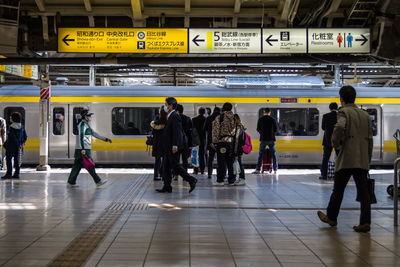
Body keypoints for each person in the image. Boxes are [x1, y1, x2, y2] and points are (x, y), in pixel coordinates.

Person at [317, 86, 373, 233]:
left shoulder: (343, 112)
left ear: (341, 99)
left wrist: (336, 144)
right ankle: (365, 222)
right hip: (362, 158)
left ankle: (332, 217)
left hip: (348, 157)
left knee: (338, 189)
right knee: (364, 191)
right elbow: (370, 139)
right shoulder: (365, 115)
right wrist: (368, 158)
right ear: (354, 98)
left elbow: (340, 127)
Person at [156, 97, 197, 193]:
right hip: (168, 146)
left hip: (172, 147)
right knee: (166, 166)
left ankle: (191, 180)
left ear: (170, 106)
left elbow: (176, 132)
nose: (165, 106)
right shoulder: (169, 115)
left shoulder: (175, 116)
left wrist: (175, 145)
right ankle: (167, 186)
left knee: (175, 166)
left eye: (166, 104)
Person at [67, 109, 112, 187]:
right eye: (89, 116)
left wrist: (105, 139)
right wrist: (83, 149)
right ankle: (98, 181)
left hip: (80, 149)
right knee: (90, 164)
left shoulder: (86, 125)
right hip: (83, 149)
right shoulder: (82, 125)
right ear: (85, 116)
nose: (90, 117)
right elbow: (81, 136)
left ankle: (71, 182)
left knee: (77, 166)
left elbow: (95, 134)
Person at [212, 102, 236, 186]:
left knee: (221, 162)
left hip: (222, 142)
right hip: (232, 143)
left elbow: (215, 131)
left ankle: (220, 180)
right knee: (230, 162)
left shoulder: (220, 117)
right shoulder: (234, 118)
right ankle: (231, 180)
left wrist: (214, 143)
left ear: (223, 108)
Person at [253, 108, 278, 174]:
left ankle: (258, 169)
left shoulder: (260, 119)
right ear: (269, 113)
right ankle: (275, 170)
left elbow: (258, 129)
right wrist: (271, 133)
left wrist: (262, 133)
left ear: (264, 112)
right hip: (271, 139)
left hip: (263, 139)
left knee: (261, 154)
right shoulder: (273, 119)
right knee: (273, 155)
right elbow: (275, 130)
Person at [1, 112, 27, 179]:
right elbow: (25, 136)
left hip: (11, 146)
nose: (10, 119)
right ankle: (17, 174)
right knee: (17, 160)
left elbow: (12, 137)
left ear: (13, 118)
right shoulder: (22, 127)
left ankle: (9, 173)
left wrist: (6, 144)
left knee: (8, 159)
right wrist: (22, 143)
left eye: (11, 117)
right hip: (19, 147)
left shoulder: (11, 127)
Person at [320, 102, 339, 180]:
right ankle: (338, 175)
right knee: (339, 158)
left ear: (330, 108)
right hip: (338, 140)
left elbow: (323, 128)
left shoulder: (326, 116)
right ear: (337, 108)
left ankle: (324, 175)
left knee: (325, 158)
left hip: (328, 140)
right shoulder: (340, 116)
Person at [175, 104, 192, 178]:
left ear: (177, 110)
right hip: (186, 142)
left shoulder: (175, 118)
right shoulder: (188, 119)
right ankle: (185, 175)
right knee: (185, 160)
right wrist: (190, 144)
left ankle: (175, 174)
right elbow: (190, 133)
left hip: (177, 142)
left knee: (176, 160)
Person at [150, 106, 167, 181]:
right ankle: (163, 175)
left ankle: (156, 175)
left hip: (157, 142)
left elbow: (153, 130)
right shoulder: (167, 120)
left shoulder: (156, 120)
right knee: (164, 160)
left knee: (157, 160)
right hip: (164, 142)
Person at [204, 106, 220, 179]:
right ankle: (220, 174)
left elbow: (204, 129)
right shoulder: (221, 118)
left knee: (211, 158)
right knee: (221, 158)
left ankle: (209, 174)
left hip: (211, 142)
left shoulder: (208, 118)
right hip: (220, 142)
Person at [192, 107, 206, 174]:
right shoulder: (206, 119)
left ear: (198, 112)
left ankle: (196, 170)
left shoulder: (194, 119)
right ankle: (202, 170)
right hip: (203, 140)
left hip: (195, 140)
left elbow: (192, 130)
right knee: (202, 155)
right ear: (204, 113)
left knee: (195, 154)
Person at [233, 114, 246, 186]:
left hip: (237, 150)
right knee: (238, 164)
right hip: (239, 149)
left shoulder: (238, 128)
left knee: (239, 164)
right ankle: (237, 178)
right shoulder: (241, 127)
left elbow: (237, 141)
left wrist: (236, 153)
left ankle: (242, 178)